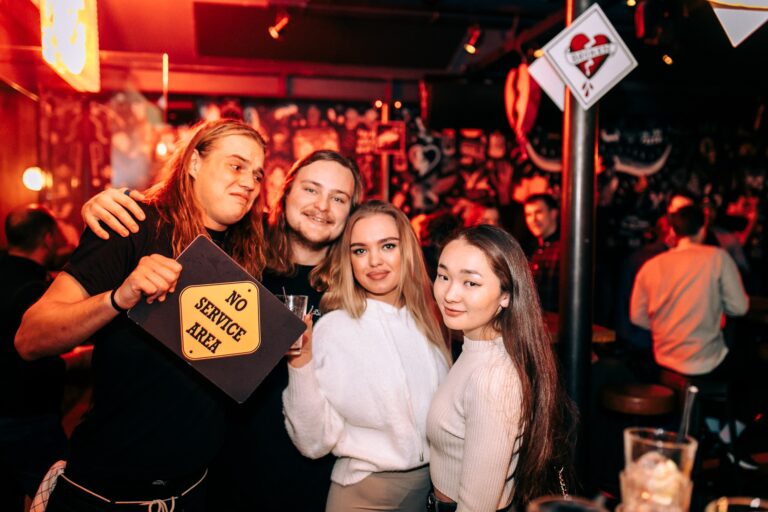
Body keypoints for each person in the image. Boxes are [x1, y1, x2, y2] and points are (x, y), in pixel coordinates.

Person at [80, 149, 364, 511]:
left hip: (314, 482)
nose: (322, 206)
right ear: (285, 193)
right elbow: (173, 216)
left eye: (338, 198)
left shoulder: (359, 287)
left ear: (350, 212)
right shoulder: (236, 253)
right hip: (222, 477)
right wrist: (110, 203)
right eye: (310, 190)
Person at [15, 118, 268, 511]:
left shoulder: (247, 254)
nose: (250, 181)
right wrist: (119, 296)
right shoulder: (131, 224)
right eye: (236, 166)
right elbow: (30, 338)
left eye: (257, 174)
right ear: (194, 164)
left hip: (193, 493)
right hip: (105, 493)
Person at [283, 200, 451, 512]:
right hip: (365, 496)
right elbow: (313, 442)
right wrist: (300, 362)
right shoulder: (335, 328)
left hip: (434, 488)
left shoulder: (430, 319)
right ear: (348, 260)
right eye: (359, 250)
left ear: (407, 251)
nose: (374, 261)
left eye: (387, 246)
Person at [428, 225, 575, 510]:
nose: (450, 294)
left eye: (470, 283)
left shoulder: (492, 377)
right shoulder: (476, 346)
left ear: (506, 295)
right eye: (443, 276)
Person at [0, 205, 68, 511]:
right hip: (28, 417)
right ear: (47, 238)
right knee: (57, 496)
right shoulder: (36, 291)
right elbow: (37, 352)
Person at [630, 204, 749, 378]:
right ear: (702, 229)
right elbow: (740, 308)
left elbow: (636, 317)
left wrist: (666, 326)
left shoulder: (651, 266)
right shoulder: (717, 258)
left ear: (674, 231)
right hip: (707, 362)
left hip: (664, 361)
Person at [523, 193, 560, 312]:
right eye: (528, 214)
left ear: (553, 214)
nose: (533, 219)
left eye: (538, 212)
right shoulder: (530, 249)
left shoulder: (565, 249)